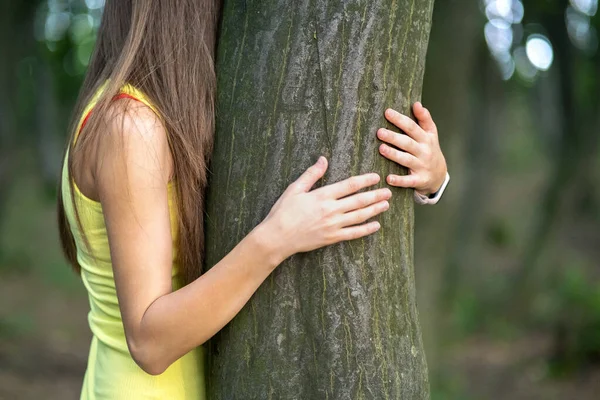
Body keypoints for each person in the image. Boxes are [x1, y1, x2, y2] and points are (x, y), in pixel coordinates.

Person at [57, 1, 449, 399]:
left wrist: (430, 177)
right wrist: (277, 238)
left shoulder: (151, 118)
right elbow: (149, 342)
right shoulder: (130, 128)